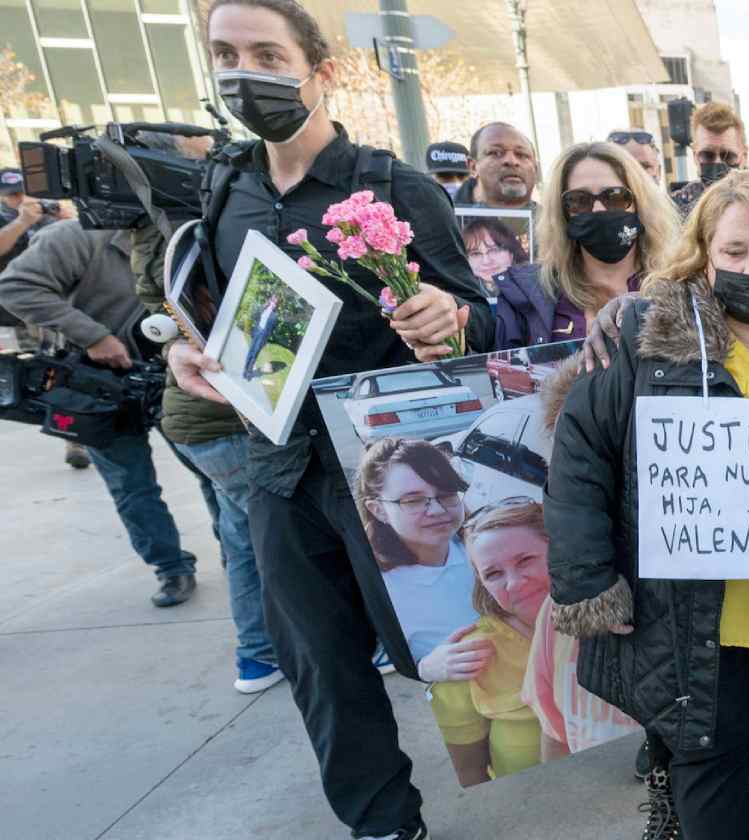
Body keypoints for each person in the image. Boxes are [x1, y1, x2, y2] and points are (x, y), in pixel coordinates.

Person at [166, 2, 493, 837]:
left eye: (267, 54)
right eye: (226, 54)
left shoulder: (394, 185)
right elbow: (205, 308)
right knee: (320, 662)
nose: (246, 72)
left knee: (436, 646)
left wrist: (447, 317)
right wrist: (183, 349)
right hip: (275, 462)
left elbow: (482, 320)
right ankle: (382, 820)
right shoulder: (225, 185)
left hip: (385, 465)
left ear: (322, 70)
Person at [546, 172, 749, 840]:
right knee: (708, 749)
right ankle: (673, 779)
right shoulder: (644, 335)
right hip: (692, 610)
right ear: (703, 252)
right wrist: (587, 580)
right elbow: (580, 454)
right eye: (734, 251)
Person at [0, 217, 201, 608]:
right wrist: (93, 336)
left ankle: (235, 553)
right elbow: (14, 287)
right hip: (97, 385)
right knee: (131, 485)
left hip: (173, 375)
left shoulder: (177, 230)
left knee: (210, 471)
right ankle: (170, 566)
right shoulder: (74, 237)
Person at [130, 208, 282, 693]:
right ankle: (352, 646)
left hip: (193, 427)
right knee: (277, 542)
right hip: (223, 422)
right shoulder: (197, 237)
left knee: (241, 538)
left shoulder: (158, 242)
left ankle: (257, 657)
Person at [495, 141, 679, 351]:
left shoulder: (681, 286)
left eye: (615, 197)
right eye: (579, 200)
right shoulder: (524, 294)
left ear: (640, 203)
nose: (599, 209)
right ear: (563, 213)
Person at [429, 498, 553, 787]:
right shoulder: (465, 658)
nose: (514, 583)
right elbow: (470, 776)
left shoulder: (610, 621)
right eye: (493, 574)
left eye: (525, 560)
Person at [355, 439, 481, 667]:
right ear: (378, 510)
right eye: (413, 500)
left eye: (446, 494)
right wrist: (424, 669)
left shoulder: (486, 549)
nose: (436, 510)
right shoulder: (374, 587)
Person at [0, 168, 86, 469]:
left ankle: (74, 438)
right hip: (17, 309)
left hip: (56, 306)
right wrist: (23, 221)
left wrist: (64, 219)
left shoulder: (45, 211)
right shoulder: (8, 217)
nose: (19, 198)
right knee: (37, 376)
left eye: (22, 191)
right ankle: (64, 426)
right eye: (11, 195)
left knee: (64, 367)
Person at [670, 101, 748, 214]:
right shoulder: (674, 211)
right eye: (707, 155)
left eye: (728, 156)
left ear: (744, 156)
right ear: (695, 157)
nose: (717, 163)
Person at [456, 122, 541, 215]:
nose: (511, 161)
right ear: (472, 167)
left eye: (521, 154)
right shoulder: (446, 221)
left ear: (535, 169)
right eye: (496, 153)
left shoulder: (555, 224)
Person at [462, 216, 530, 304]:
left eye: (494, 250)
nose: (486, 261)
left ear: (511, 252)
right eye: (476, 254)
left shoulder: (532, 287)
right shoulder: (461, 293)